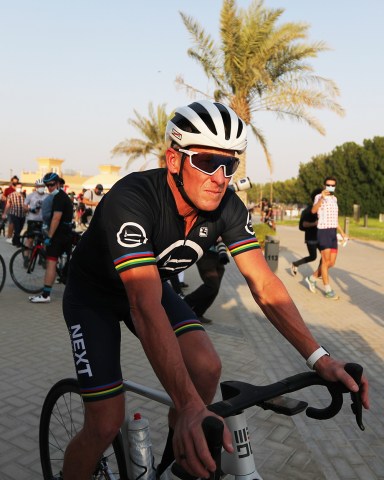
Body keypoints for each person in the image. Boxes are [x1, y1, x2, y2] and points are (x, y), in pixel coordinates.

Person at [61, 100, 368, 480]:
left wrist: (320, 358)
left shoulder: (227, 207)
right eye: (207, 162)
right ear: (174, 160)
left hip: (150, 289)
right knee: (106, 422)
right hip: (96, 297)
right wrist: (189, 404)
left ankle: (176, 460)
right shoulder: (132, 199)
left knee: (207, 367)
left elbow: (265, 284)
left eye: (230, 164)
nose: (220, 177)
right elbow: (143, 305)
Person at [29, 172, 74, 303]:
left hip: (59, 235)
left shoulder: (59, 198)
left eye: (52, 185)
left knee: (51, 263)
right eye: (47, 185)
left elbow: (56, 218)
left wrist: (49, 236)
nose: (49, 188)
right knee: (57, 264)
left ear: (58, 183)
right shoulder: (61, 196)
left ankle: (45, 295)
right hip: (65, 234)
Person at [305, 176, 348, 299]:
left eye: (333, 185)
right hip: (323, 231)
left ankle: (312, 278)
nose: (331, 187)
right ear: (324, 185)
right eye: (328, 185)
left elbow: (335, 219)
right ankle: (328, 290)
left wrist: (342, 232)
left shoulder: (334, 199)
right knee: (325, 261)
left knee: (331, 263)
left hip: (333, 232)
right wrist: (321, 199)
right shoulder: (319, 197)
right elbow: (313, 211)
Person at [184, 238, 229, 323]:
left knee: (215, 289)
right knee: (211, 285)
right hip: (205, 253)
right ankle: (185, 303)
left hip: (219, 253)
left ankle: (198, 313)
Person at [291, 188, 322, 276]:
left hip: (320, 237)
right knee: (313, 257)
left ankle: (319, 273)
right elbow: (304, 224)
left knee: (325, 256)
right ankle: (295, 264)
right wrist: (315, 223)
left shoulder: (321, 209)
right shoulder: (309, 210)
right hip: (311, 238)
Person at [2, 181, 26, 247]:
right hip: (14, 214)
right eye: (18, 187)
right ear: (15, 187)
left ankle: (14, 241)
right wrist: (4, 213)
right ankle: (17, 242)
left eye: (20, 187)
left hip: (22, 215)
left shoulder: (23, 194)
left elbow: (26, 204)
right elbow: (8, 205)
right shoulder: (11, 195)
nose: (19, 189)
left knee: (20, 229)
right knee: (17, 228)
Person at [2, 175, 19, 242]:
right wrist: (6, 199)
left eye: (16, 181)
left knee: (16, 223)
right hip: (10, 208)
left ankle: (13, 236)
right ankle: (9, 236)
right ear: (11, 182)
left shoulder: (18, 189)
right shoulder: (7, 189)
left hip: (17, 208)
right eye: (14, 181)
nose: (15, 183)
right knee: (11, 222)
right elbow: (3, 197)